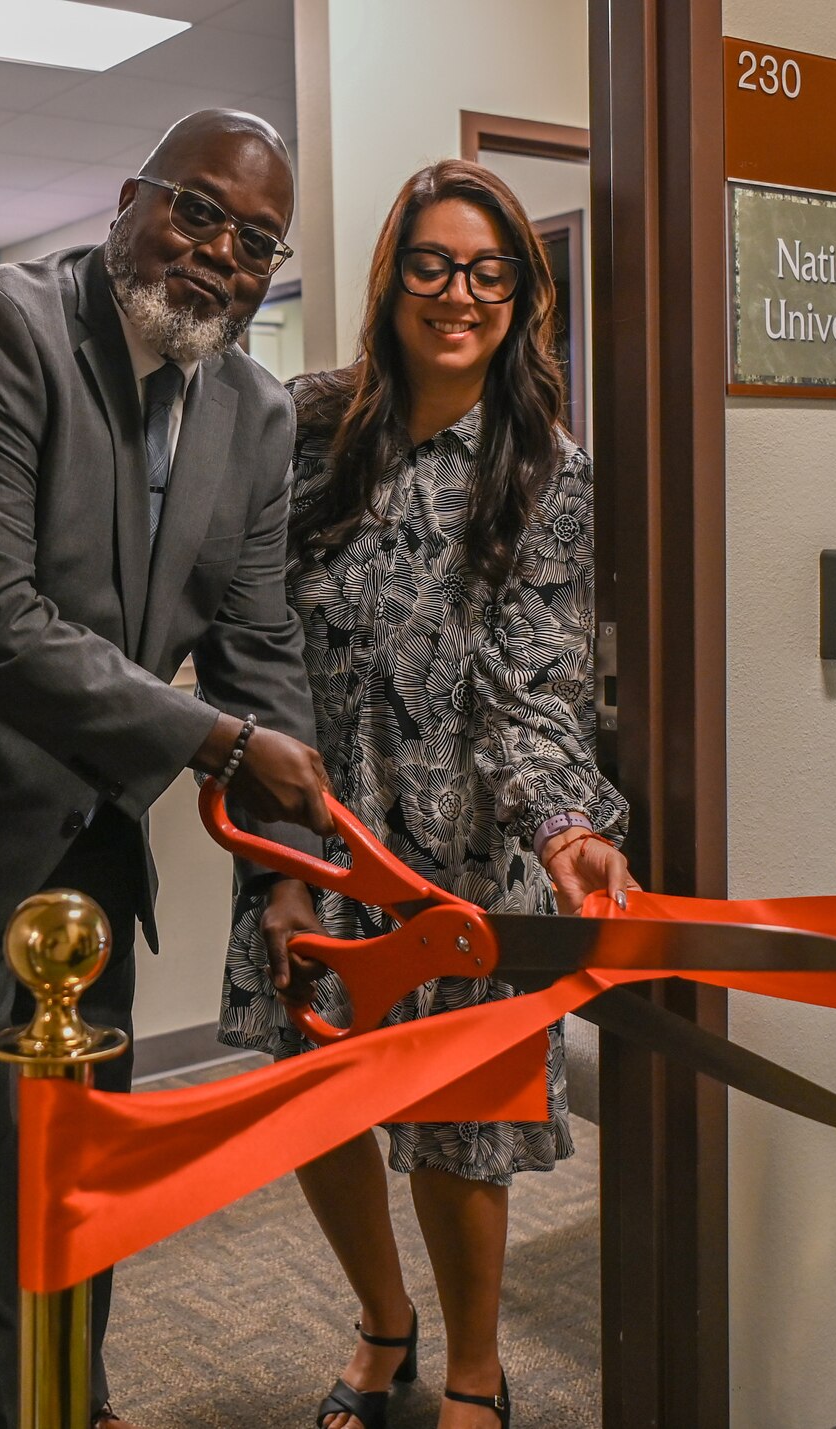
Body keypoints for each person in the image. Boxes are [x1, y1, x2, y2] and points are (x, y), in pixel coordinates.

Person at [0, 109, 333, 1429]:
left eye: (254, 241)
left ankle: (82, 1396)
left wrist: (289, 875)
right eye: (197, 210)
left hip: (93, 858)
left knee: (91, 1172)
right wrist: (223, 742)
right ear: (131, 200)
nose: (219, 255)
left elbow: (256, 640)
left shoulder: (253, 409)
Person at [220, 160, 635, 1429]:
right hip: (316, 836)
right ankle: (380, 1328)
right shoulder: (298, 428)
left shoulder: (546, 470)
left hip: (468, 853)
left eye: (489, 270)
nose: (460, 292)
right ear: (392, 274)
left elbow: (536, 685)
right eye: (433, 263)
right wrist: (280, 867)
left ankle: (471, 1371)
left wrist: (567, 827)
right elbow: (251, 635)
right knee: (317, 1098)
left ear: (521, 293)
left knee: (462, 1133)